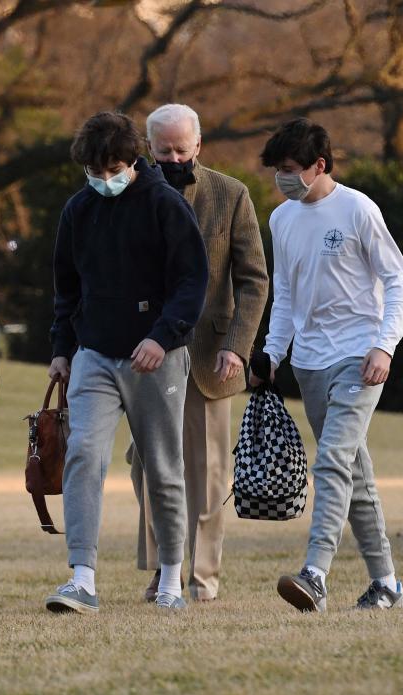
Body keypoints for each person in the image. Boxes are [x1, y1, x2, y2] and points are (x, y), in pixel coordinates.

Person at [44, 111, 208, 614]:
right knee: (83, 454)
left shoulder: (164, 204)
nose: (104, 179)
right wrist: (60, 349)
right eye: (94, 172)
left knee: (163, 468)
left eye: (112, 168)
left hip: (156, 358)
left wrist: (163, 337)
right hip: (94, 353)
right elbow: (67, 288)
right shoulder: (77, 210)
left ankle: (172, 581)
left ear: (133, 159)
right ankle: (82, 578)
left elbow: (191, 283)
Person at [253, 117, 403, 612]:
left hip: (359, 357)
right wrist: (272, 353)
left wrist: (384, 346)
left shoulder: (358, 209)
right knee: (354, 474)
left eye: (290, 168)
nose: (282, 178)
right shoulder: (281, 219)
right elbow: (285, 297)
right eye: (277, 169)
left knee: (333, 462)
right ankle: (386, 583)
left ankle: (315, 574)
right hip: (310, 365)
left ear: (320, 165)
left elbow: (399, 281)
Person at [127, 104, 268, 602]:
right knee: (147, 464)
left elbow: (253, 280)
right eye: (162, 150)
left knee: (207, 472)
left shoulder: (232, 195)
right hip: (146, 352)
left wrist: (238, 346)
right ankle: (164, 569)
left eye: (181, 149)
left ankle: (203, 577)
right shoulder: (128, 195)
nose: (172, 157)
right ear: (148, 148)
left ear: (199, 145)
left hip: (211, 355)